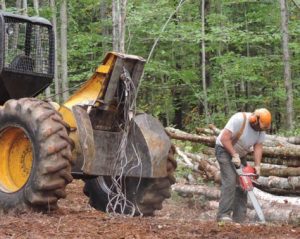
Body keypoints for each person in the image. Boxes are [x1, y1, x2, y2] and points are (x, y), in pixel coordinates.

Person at [215, 108, 272, 223]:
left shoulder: (261, 129)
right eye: (258, 127)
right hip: (224, 150)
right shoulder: (239, 119)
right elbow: (224, 138)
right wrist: (234, 154)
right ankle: (223, 215)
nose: (259, 130)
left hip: (240, 154)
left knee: (244, 184)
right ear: (254, 120)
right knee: (230, 181)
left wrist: (257, 165)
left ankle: (239, 218)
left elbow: (258, 146)